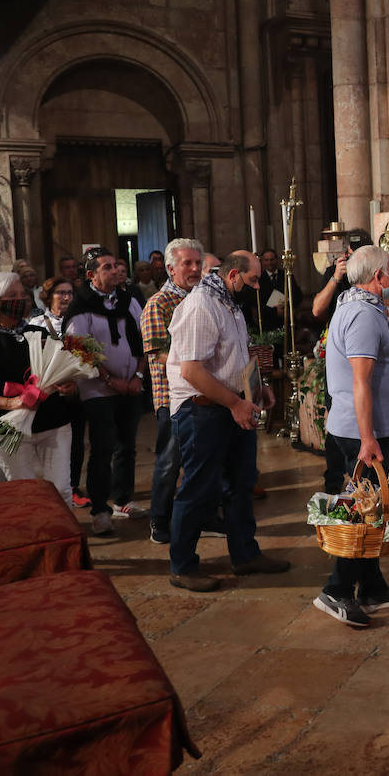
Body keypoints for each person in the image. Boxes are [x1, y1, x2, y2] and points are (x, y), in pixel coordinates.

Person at [165, 250, 288, 592]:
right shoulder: (202, 304)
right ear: (233, 275)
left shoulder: (230, 302)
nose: (258, 287)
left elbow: (237, 354)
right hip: (202, 409)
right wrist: (235, 403)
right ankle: (183, 566)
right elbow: (191, 370)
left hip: (230, 405)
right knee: (199, 490)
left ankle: (245, 554)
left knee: (241, 482)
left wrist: (257, 389)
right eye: (252, 280)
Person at [312, 245, 389, 626]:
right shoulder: (361, 313)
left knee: (374, 512)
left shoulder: (356, 304)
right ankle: (335, 590)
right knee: (364, 513)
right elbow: (360, 381)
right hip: (360, 433)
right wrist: (368, 438)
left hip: (359, 429)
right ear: (378, 277)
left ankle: (371, 587)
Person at [0, 272, 78, 503]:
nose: (22, 300)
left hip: (53, 422)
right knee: (27, 496)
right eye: (13, 295)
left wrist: (68, 383)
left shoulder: (39, 333)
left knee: (61, 491)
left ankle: (63, 538)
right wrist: (11, 402)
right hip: (10, 425)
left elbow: (56, 372)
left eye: (23, 295)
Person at [141, 237, 220, 545]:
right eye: (187, 263)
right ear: (171, 268)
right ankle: (159, 520)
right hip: (173, 397)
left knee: (205, 459)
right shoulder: (159, 304)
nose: (195, 268)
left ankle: (207, 515)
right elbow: (157, 352)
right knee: (170, 461)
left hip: (205, 392)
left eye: (198, 263)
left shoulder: (204, 298)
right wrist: (196, 359)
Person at [66, 248, 147, 535]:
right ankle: (100, 509)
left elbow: (145, 336)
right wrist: (111, 380)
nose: (115, 270)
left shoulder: (128, 300)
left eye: (116, 266)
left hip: (132, 384)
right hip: (98, 390)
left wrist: (137, 375)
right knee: (102, 448)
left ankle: (123, 499)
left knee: (128, 446)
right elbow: (78, 346)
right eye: (107, 267)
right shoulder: (82, 305)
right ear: (91, 275)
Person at [27, 276, 89, 506]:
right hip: (45, 393)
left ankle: (72, 486)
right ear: (48, 296)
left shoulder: (80, 322)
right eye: (60, 293)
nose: (66, 297)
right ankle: (47, 487)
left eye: (70, 293)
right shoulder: (37, 323)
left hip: (73, 390)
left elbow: (87, 354)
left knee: (76, 440)